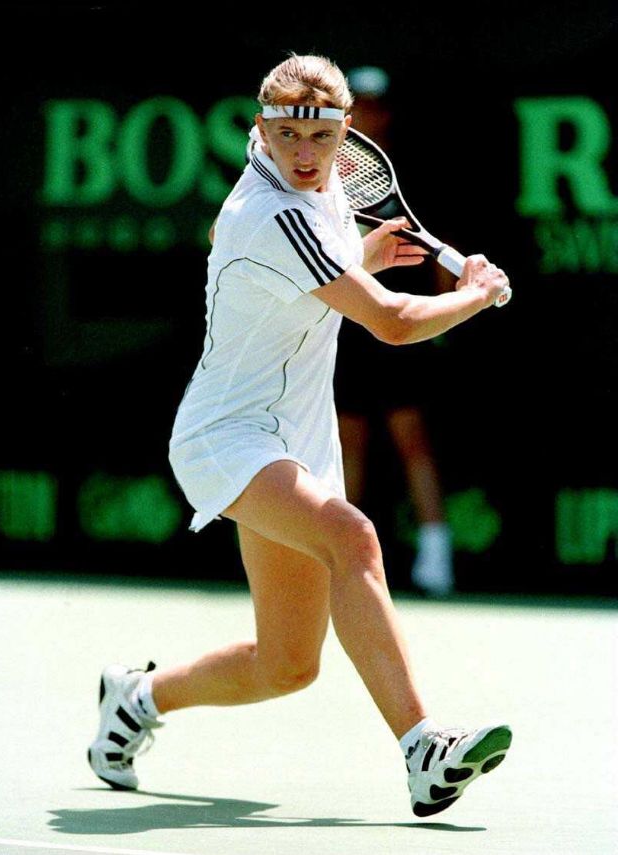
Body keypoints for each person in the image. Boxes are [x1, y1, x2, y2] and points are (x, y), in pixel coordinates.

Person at [88, 54, 512, 818]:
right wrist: (475, 296)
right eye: (286, 135)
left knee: (286, 666)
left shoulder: (314, 190)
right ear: (262, 132)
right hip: (229, 434)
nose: (306, 154)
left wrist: (358, 256)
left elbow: (308, 276)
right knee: (355, 539)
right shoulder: (272, 211)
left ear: (345, 131)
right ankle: (424, 748)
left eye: (320, 136)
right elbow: (389, 320)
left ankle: (136, 698)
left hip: (297, 438)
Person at [336, 65, 454, 597]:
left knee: (412, 439)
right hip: (347, 321)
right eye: (357, 107)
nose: (368, 116)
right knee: (346, 442)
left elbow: (438, 257)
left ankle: (436, 559)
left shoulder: (411, 175)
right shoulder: (320, 176)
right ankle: (346, 563)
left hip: (403, 319)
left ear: (388, 113)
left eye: (375, 106)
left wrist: (450, 308)